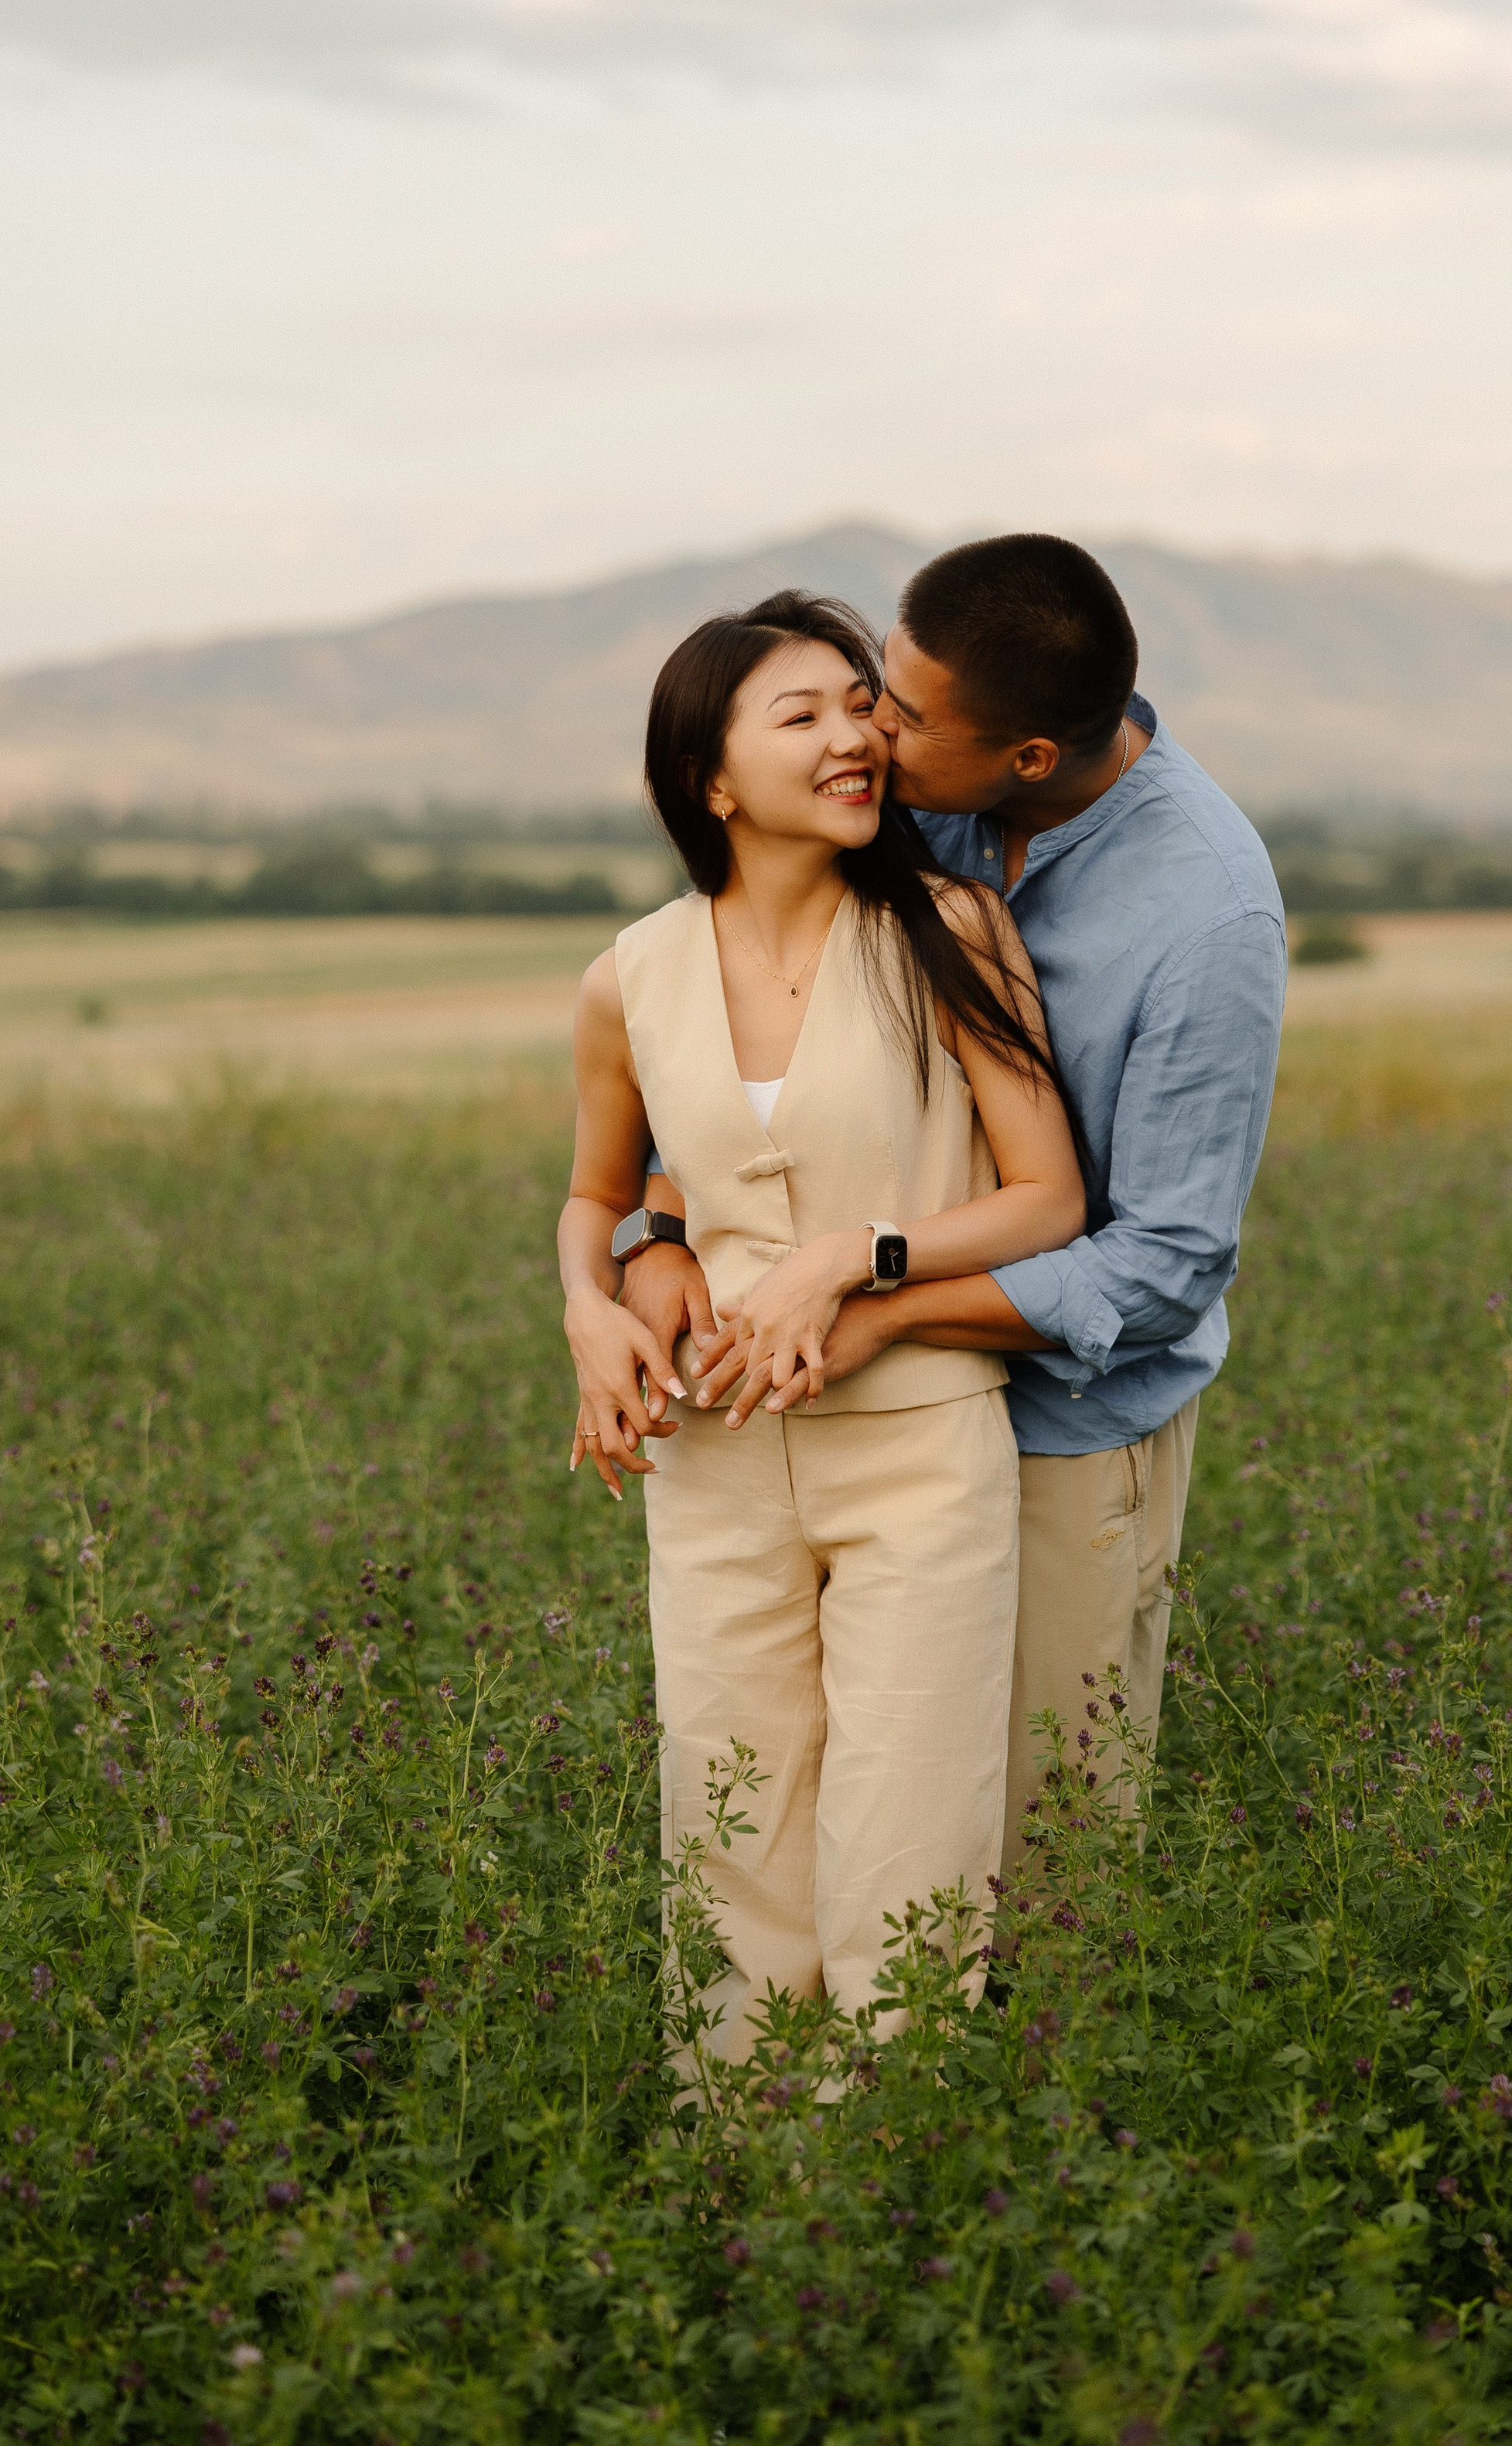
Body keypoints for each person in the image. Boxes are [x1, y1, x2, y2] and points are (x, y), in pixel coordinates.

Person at [629, 537, 1285, 1880]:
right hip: (828, 1419)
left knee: (1042, 1855)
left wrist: (881, 1304)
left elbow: (1164, 1264)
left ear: (1027, 757)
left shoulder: (1206, 916)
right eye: (878, 685)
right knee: (817, 1830)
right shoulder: (906, 798)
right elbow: (715, 1036)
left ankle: (1023, 2095)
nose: (870, 729)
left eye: (905, 715)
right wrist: (655, 1240)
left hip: (1063, 1431)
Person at [558, 589, 1086, 2062]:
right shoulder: (628, 978)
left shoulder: (953, 929)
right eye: (805, 715)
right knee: (729, 1832)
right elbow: (596, 1196)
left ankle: (890, 2181)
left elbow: (1048, 1201)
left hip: (922, 1453)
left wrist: (860, 1254)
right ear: (711, 778)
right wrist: (591, 1309)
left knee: (910, 1839)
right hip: (713, 1462)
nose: (857, 736)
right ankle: (744, 2192)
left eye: (862, 706)